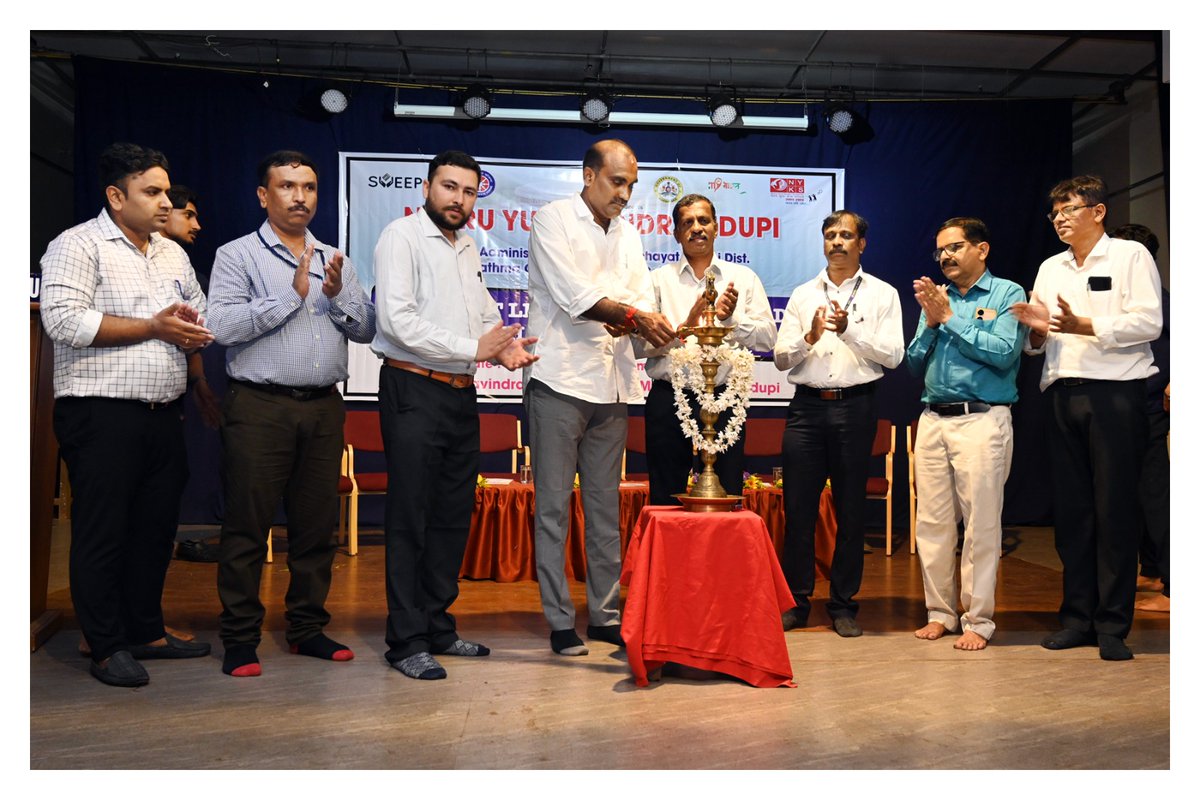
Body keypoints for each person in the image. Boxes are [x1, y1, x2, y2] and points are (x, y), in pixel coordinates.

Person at [40, 142, 214, 687]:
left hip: (164, 413)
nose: (167, 203)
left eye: (167, 191)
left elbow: (200, 312)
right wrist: (153, 326)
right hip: (100, 414)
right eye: (152, 192)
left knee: (153, 530)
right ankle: (105, 644)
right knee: (104, 531)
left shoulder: (172, 253)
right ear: (117, 196)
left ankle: (146, 632)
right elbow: (64, 323)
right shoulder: (77, 245)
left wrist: (188, 321)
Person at [207, 150, 376, 677]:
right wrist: (291, 295)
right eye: (287, 186)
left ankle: (306, 628)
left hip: (323, 407)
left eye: (309, 187)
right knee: (246, 528)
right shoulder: (235, 255)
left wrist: (336, 297)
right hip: (259, 407)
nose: (300, 196)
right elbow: (224, 328)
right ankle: (239, 637)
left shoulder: (334, 257)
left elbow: (366, 329)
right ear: (264, 195)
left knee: (314, 529)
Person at [371, 150, 537, 680]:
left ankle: (439, 626)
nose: (458, 200)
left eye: (468, 192)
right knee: (410, 517)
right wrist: (473, 347)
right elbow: (397, 322)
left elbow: (483, 310)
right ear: (427, 188)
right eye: (449, 187)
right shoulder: (401, 237)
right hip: (412, 388)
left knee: (450, 515)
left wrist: (504, 347)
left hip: (461, 393)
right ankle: (405, 640)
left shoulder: (465, 245)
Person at [524, 139, 675, 656]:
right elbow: (573, 296)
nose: (626, 194)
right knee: (551, 509)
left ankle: (606, 615)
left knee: (605, 507)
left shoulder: (630, 235)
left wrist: (639, 322)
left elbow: (636, 302)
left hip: (613, 385)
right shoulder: (552, 220)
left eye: (632, 185)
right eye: (617, 182)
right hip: (559, 382)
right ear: (588, 175)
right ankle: (560, 619)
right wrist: (632, 317)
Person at [1013, 175, 1161, 661]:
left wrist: (1087, 325)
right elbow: (1041, 339)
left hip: (1116, 393)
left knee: (1114, 510)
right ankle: (1077, 618)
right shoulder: (1050, 267)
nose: (1059, 219)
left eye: (1070, 209)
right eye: (1054, 212)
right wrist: (1034, 335)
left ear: (1098, 212)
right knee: (1073, 515)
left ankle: (1114, 625)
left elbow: (1149, 322)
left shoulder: (1129, 257)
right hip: (1062, 392)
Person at [773, 210, 903, 637]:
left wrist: (848, 332)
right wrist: (809, 338)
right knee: (799, 510)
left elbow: (893, 356)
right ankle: (797, 600)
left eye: (846, 235)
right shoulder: (802, 294)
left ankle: (844, 604)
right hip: (806, 410)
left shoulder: (883, 294)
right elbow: (779, 358)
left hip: (856, 407)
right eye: (830, 235)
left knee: (850, 510)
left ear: (861, 244)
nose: (837, 242)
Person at [905, 218, 1025, 651]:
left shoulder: (1007, 293)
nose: (946, 257)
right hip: (933, 417)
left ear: (982, 249)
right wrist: (933, 322)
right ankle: (940, 613)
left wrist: (950, 319)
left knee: (981, 525)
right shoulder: (937, 300)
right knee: (931, 523)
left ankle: (979, 619)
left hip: (982, 418)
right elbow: (913, 362)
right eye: (940, 251)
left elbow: (1004, 353)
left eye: (955, 247)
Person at [637, 193, 777, 504]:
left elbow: (768, 339)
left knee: (725, 494)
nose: (696, 228)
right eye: (687, 222)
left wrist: (731, 319)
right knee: (665, 496)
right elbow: (637, 345)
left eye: (703, 220)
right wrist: (685, 325)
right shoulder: (657, 281)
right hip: (669, 396)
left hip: (725, 397)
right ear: (676, 234)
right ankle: (668, 554)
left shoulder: (743, 277)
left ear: (717, 227)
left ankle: (723, 554)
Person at [159, 184, 222, 563]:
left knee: (168, 482)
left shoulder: (182, 266)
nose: (197, 224)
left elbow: (194, 333)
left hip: (174, 393)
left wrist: (198, 382)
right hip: (127, 396)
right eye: (189, 215)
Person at [1109, 224, 1169, 614]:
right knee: (1133, 497)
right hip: (1123, 407)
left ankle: (1176, 587)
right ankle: (1150, 569)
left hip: (1151, 407)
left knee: (1156, 497)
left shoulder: (1159, 302)